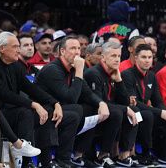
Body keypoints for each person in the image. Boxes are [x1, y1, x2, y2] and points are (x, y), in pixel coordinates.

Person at [0, 32, 79, 168]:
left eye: (18, 46)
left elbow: (31, 88)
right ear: (2, 49)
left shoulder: (15, 65)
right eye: (15, 47)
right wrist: (33, 104)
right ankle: (27, 162)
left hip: (14, 111)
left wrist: (55, 102)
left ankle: (46, 162)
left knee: (47, 111)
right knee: (26, 112)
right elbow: (4, 94)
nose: (18, 50)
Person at [36, 36, 111, 167]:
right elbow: (70, 98)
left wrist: (101, 103)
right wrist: (79, 71)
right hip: (44, 111)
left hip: (61, 109)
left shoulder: (72, 68)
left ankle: (79, 155)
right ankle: (62, 159)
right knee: (76, 111)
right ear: (62, 51)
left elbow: (87, 92)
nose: (77, 52)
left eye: (78, 48)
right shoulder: (53, 69)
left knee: (92, 110)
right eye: (72, 48)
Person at [122, 44, 166, 166]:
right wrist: (160, 112)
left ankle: (164, 154)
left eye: (149, 57)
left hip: (147, 112)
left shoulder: (151, 76)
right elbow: (134, 103)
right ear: (136, 58)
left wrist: (164, 112)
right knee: (148, 115)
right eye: (143, 57)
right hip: (132, 113)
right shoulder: (127, 75)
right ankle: (145, 154)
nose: (147, 60)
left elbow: (158, 100)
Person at [84, 41, 139, 166]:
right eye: (113, 56)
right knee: (118, 113)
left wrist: (119, 81)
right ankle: (103, 155)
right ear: (103, 57)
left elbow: (125, 102)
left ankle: (124, 154)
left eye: (119, 56)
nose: (117, 59)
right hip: (93, 113)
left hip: (109, 112)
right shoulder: (94, 73)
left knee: (135, 111)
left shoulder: (114, 73)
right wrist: (125, 109)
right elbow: (98, 102)